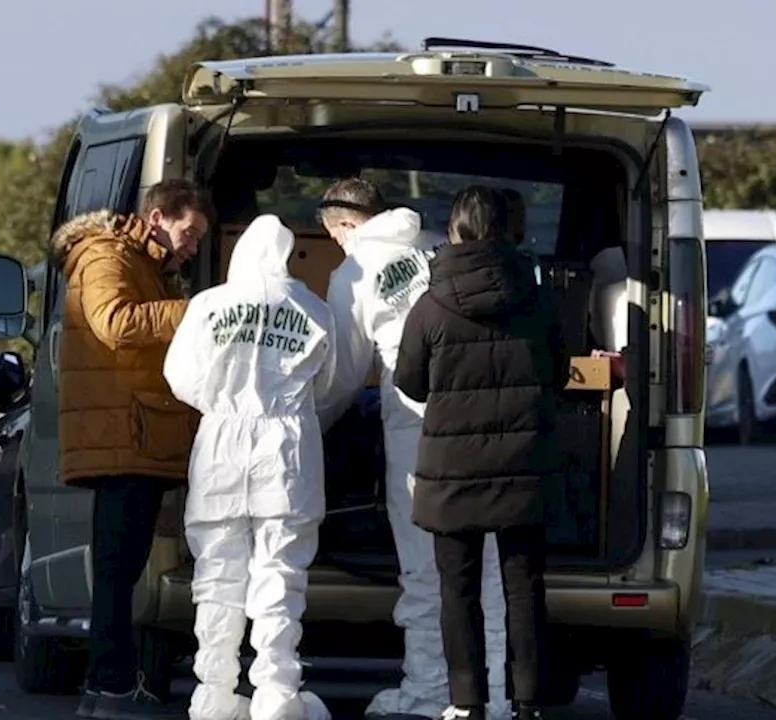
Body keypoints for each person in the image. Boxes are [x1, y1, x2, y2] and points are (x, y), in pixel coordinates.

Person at [313, 178, 512, 719]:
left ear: (345, 226)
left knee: (427, 569)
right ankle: (491, 697)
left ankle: (427, 690)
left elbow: (345, 374)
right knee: (487, 569)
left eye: (335, 237)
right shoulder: (438, 247)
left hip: (417, 426)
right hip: (482, 418)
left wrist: (311, 420)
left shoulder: (354, 273)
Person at [393, 186, 568, 720]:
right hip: (523, 463)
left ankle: (467, 702)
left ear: (456, 230)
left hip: (454, 469)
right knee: (524, 587)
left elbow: (411, 381)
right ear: (510, 230)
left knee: (458, 589)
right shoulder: (538, 297)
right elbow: (559, 373)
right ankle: (528, 701)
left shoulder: (431, 304)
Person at [164, 214, 336, 720]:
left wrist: (222, 402)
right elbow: (327, 384)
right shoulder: (312, 308)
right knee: (280, 573)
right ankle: (276, 695)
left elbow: (180, 377)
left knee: (217, 574)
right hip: (286, 449)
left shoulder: (209, 305)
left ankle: (214, 694)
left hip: (221, 443)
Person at [50, 179, 211, 719]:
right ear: (158, 217)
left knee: (122, 569)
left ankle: (107, 685)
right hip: (125, 433)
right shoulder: (105, 256)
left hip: (133, 432)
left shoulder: (141, 262)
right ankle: (112, 685)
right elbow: (114, 323)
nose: (191, 246)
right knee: (119, 572)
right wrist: (193, 312)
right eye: (187, 233)